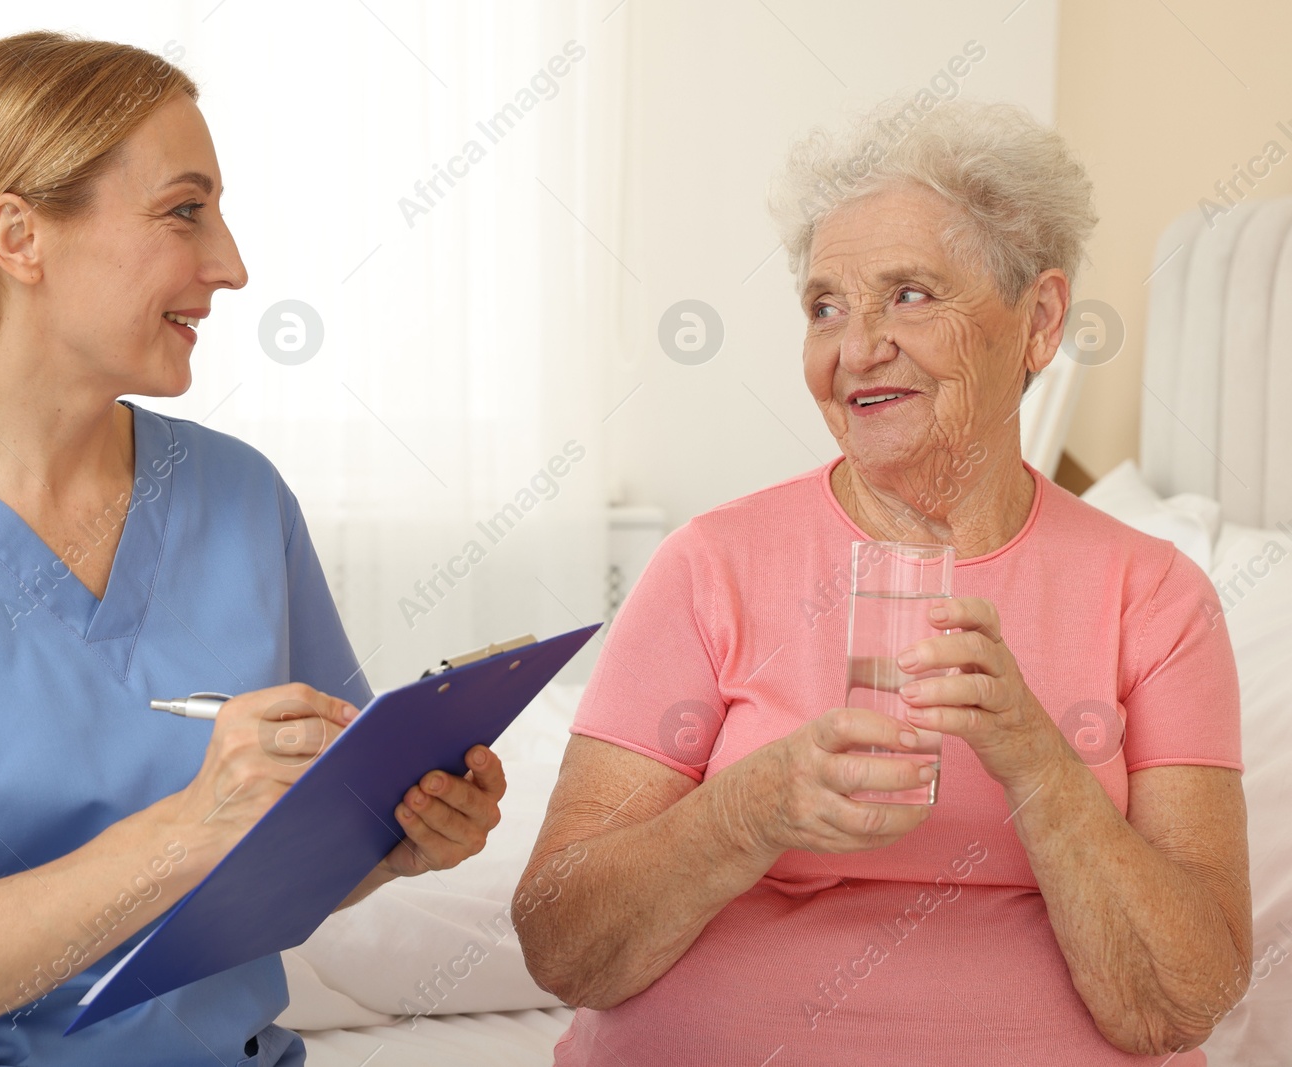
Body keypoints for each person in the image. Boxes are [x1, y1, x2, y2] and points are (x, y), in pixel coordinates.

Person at [0, 31, 504, 1067]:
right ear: (19, 236)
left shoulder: (239, 498)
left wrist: (390, 841)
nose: (228, 264)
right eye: (185, 211)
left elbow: (281, 846)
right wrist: (189, 825)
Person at [515, 96, 1250, 1065]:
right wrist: (750, 807)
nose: (854, 348)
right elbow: (562, 944)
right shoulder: (708, 564)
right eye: (826, 305)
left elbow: (1180, 1000)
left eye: (908, 294)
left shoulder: (1151, 597)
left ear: (1037, 322)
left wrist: (1036, 761)